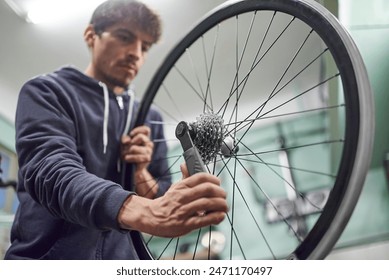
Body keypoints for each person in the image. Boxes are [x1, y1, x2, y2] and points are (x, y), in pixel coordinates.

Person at [5, 0, 228, 260]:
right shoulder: (47, 91)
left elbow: (159, 198)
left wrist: (140, 172)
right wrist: (145, 212)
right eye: (125, 37)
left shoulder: (149, 118)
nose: (136, 53)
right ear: (91, 35)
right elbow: (49, 170)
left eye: (145, 47)